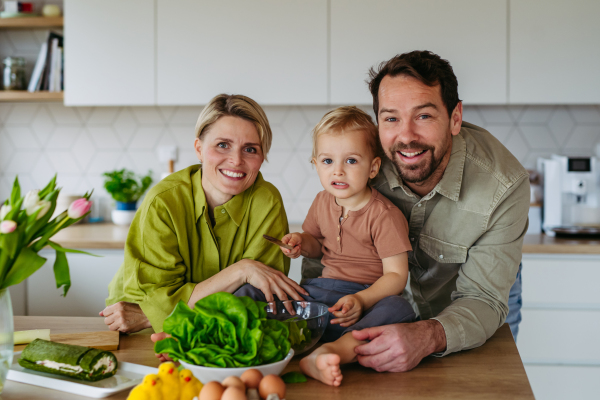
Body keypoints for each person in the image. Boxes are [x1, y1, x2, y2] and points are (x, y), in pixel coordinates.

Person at [302, 50, 529, 372]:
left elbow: (484, 299)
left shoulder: (503, 186)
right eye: (391, 118)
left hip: (468, 309)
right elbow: (324, 243)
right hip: (372, 315)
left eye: (423, 116)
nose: (406, 136)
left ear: (454, 117)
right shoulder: (361, 156)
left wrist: (428, 335)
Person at [235, 106, 415, 386]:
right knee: (249, 291)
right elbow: (317, 245)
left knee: (399, 309)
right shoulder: (322, 201)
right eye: (328, 161)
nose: (338, 171)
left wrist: (362, 300)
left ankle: (332, 352)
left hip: (360, 305)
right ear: (315, 164)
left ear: (373, 167)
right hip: (317, 295)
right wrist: (300, 243)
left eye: (352, 161)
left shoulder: (384, 216)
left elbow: (396, 276)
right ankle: (236, 342)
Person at [101, 94, 308, 334]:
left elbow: (255, 301)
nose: (236, 160)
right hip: (145, 333)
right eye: (222, 145)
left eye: (250, 149)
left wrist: (153, 312)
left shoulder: (267, 202)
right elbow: (152, 297)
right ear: (199, 148)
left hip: (222, 330)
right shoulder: (164, 201)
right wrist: (242, 270)